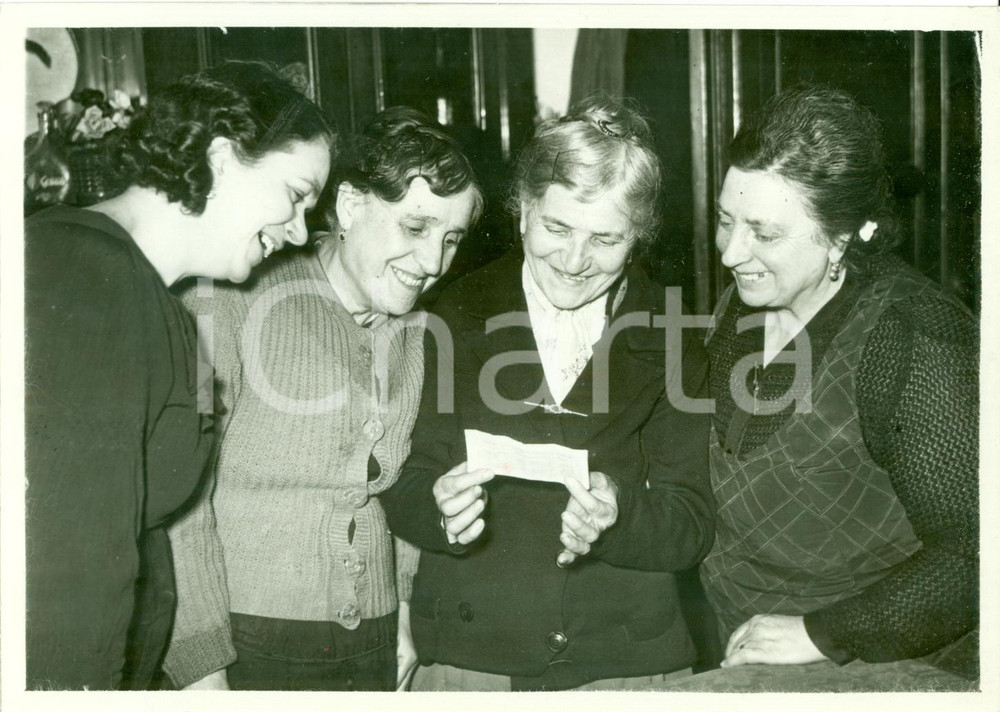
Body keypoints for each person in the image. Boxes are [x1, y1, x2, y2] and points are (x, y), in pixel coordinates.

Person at [380, 96, 715, 691]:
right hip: (472, 657)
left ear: (638, 236)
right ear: (523, 211)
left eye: (606, 239)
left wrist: (620, 516)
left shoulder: (670, 332)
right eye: (557, 228)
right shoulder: (451, 313)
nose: (576, 260)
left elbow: (689, 522)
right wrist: (439, 508)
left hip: (623, 661)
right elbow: (401, 480)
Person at [24, 60, 333, 690]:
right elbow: (72, 570)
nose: (301, 230)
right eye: (296, 194)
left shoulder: (155, 300)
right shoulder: (86, 277)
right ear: (221, 158)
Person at [661, 85, 978, 692]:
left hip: (879, 667)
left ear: (843, 234)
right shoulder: (747, 299)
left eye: (764, 233)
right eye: (726, 220)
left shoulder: (913, 337)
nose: (730, 252)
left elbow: (977, 552)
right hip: (742, 656)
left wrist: (821, 633)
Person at [162, 107, 483, 691]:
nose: (434, 263)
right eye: (416, 228)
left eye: (451, 239)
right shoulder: (232, 296)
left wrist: (404, 617)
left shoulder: (416, 332)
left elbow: (404, 487)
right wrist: (201, 665)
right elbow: (181, 506)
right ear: (353, 205)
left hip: (375, 640)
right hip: (246, 644)